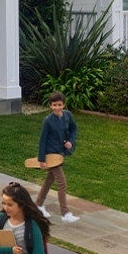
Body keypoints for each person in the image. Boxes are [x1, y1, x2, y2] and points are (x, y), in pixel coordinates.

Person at [35, 91, 79, 224]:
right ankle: (64, 213)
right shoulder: (48, 121)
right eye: (54, 105)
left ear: (63, 105)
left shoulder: (67, 116)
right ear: (50, 106)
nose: (57, 107)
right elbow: (42, 140)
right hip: (51, 155)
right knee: (62, 183)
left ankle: (38, 205)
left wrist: (70, 141)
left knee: (49, 181)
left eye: (59, 105)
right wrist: (41, 159)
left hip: (60, 153)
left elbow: (73, 129)